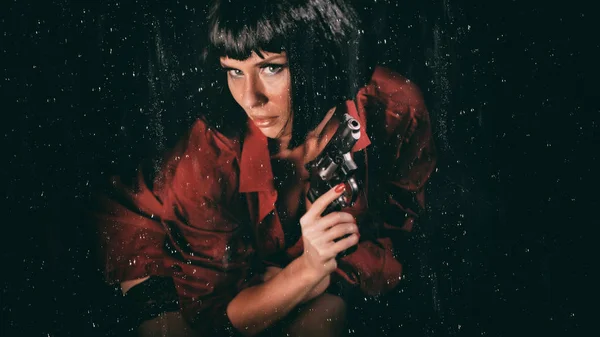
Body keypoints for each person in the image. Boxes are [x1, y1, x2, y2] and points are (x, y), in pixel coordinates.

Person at [93, 0, 436, 336]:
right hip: (164, 234)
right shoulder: (208, 157)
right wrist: (305, 271)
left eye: (272, 67)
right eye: (234, 71)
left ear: (322, 57)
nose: (249, 99)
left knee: (324, 317)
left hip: (285, 251)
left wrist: (320, 273)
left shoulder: (395, 108)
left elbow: (402, 230)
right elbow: (216, 317)